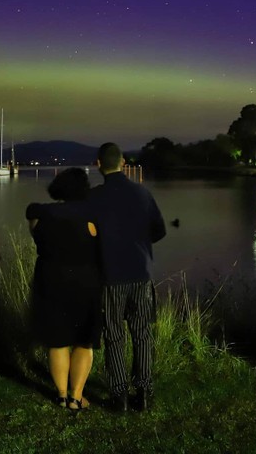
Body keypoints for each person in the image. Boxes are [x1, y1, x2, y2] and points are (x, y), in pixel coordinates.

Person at [92, 142, 166, 412]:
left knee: (114, 335)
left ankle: (120, 395)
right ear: (123, 162)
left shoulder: (94, 198)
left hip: (111, 275)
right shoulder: (142, 194)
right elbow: (159, 231)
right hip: (141, 273)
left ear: (98, 164)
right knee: (142, 333)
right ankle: (144, 392)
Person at [25, 168, 102, 411]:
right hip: (86, 281)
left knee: (57, 340)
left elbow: (34, 222)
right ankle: (76, 397)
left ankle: (60, 395)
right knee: (84, 340)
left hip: (51, 280)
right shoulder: (94, 215)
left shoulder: (39, 214)